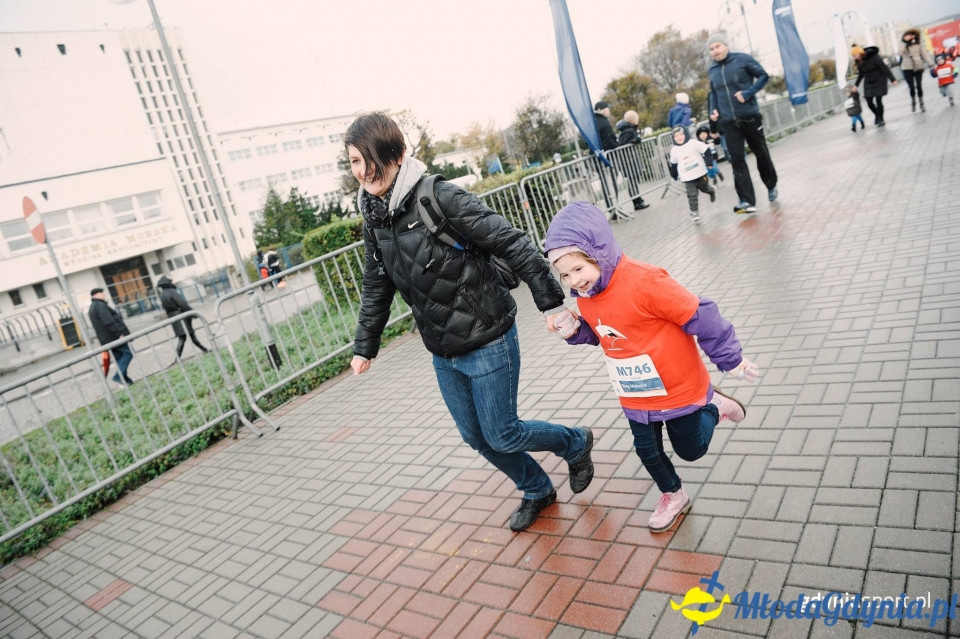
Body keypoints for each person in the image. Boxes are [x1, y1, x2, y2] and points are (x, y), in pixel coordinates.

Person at [345, 112, 594, 533]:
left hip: (488, 337)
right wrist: (364, 344)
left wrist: (551, 302)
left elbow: (509, 240)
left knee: (503, 434)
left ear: (397, 154)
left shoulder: (438, 196)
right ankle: (536, 487)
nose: (363, 171)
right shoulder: (374, 217)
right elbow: (377, 282)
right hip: (442, 349)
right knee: (476, 437)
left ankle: (574, 442)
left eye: (369, 159)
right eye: (353, 161)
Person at [543, 201, 759, 533]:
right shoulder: (585, 296)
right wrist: (573, 329)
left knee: (691, 449)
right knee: (646, 450)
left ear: (597, 254)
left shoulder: (645, 280)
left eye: (579, 269)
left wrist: (730, 359)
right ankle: (673, 494)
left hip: (678, 385)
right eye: (565, 275)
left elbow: (701, 314)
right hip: (636, 392)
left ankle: (714, 406)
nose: (575, 281)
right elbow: (606, 335)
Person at [707, 32, 778, 215]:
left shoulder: (742, 60)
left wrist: (748, 93)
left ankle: (771, 184)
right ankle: (747, 200)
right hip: (728, 121)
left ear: (725, 46)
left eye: (718, 46)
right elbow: (714, 92)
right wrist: (714, 110)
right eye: (712, 49)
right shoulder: (712, 70)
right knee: (737, 159)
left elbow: (763, 76)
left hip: (749, 115)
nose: (715, 51)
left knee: (761, 152)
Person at [667, 126, 716, 224]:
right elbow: (673, 164)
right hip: (687, 176)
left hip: (700, 172)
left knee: (704, 188)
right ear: (673, 138)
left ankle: (711, 190)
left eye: (681, 135)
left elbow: (707, 150)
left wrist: (709, 163)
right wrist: (674, 175)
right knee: (692, 194)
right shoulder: (674, 150)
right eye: (676, 136)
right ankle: (694, 212)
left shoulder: (693, 143)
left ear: (685, 134)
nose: (679, 137)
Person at [157, 276, 210, 361]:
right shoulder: (173, 292)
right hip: (181, 315)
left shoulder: (162, 295)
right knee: (187, 336)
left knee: (184, 336)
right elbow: (182, 304)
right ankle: (203, 350)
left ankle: (204, 350)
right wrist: (193, 313)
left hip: (173, 317)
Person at [88, 287, 135, 385]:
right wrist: (120, 333)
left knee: (119, 358)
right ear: (96, 295)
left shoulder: (93, 307)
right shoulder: (100, 306)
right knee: (128, 353)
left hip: (106, 339)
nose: (103, 295)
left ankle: (126, 381)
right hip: (113, 337)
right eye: (101, 293)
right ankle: (118, 376)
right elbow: (109, 321)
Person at [852, 44, 898, 127]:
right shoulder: (859, 62)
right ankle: (877, 115)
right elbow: (861, 74)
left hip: (879, 80)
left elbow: (884, 68)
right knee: (869, 101)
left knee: (878, 100)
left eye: (856, 55)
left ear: (860, 53)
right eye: (854, 56)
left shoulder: (874, 57)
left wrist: (893, 79)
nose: (855, 58)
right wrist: (856, 85)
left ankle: (881, 119)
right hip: (869, 81)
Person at [614, 109, 651, 211]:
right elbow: (623, 144)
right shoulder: (629, 131)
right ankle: (637, 202)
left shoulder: (625, 130)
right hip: (629, 160)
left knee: (633, 181)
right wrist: (635, 140)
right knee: (633, 181)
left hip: (628, 160)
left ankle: (637, 200)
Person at [899, 28, 935, 112]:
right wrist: (904, 41)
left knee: (919, 86)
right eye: (910, 35)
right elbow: (899, 53)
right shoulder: (903, 44)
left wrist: (931, 64)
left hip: (918, 66)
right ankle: (913, 101)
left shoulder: (918, 44)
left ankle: (922, 103)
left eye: (913, 34)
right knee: (911, 87)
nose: (911, 36)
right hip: (907, 67)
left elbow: (925, 54)